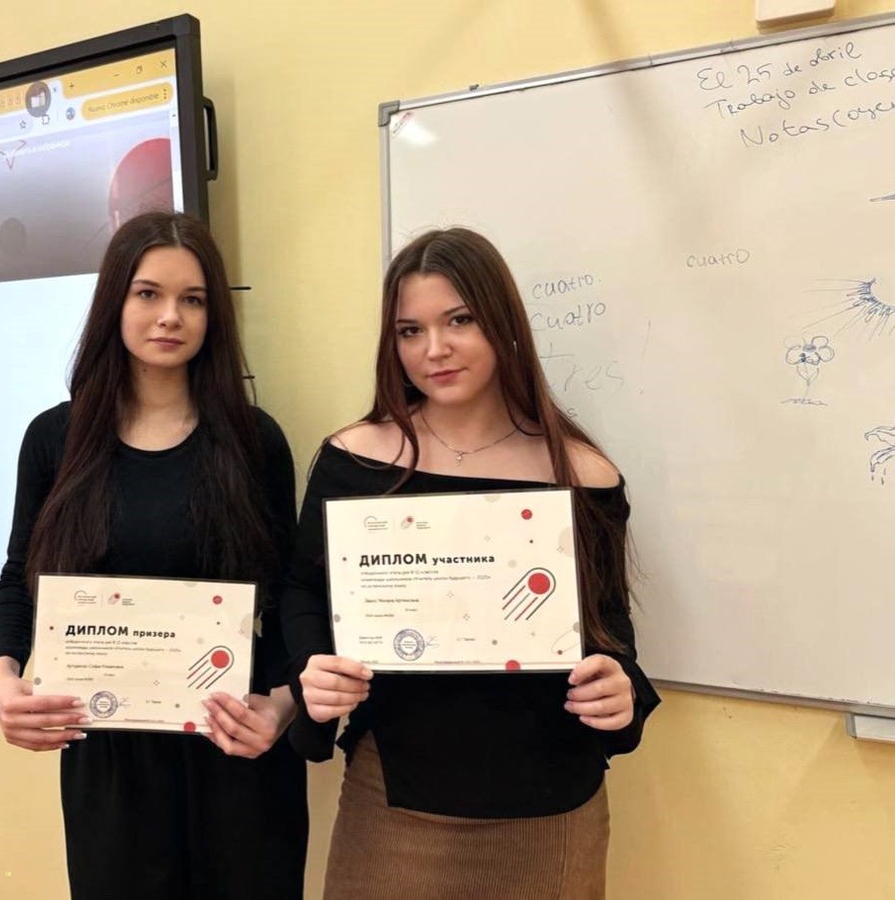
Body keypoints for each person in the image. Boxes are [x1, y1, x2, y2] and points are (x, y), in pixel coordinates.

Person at [281, 227, 660, 899]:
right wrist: (314, 668)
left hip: (551, 804)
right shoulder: (355, 460)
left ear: (503, 324)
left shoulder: (580, 474)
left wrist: (618, 686)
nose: (434, 349)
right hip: (394, 793)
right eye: (410, 330)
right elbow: (303, 589)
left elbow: (610, 633)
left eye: (459, 320)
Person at [0, 211, 307, 899]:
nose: (170, 316)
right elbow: (20, 576)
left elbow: (289, 595)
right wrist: (2, 675)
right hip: (111, 752)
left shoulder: (255, 440)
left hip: (234, 742)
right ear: (116, 301)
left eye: (193, 299)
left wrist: (282, 708)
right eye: (148, 293)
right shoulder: (54, 439)